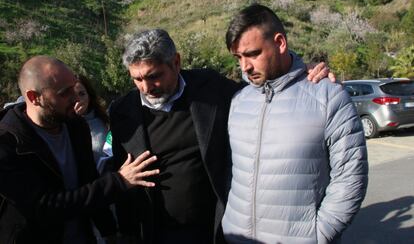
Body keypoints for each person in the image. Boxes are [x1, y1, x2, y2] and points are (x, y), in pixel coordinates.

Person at [109, 29, 333, 244]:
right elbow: (122, 181)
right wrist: (125, 231)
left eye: (154, 76)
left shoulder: (210, 87)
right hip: (156, 233)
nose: (146, 87)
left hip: (213, 228)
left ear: (176, 62)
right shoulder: (122, 112)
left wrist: (303, 72)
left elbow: (262, 91)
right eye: (137, 79)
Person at [221, 4, 368, 244]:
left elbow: (351, 178)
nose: (244, 67)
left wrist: (318, 236)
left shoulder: (329, 97)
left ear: (280, 43)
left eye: (252, 54)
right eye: (238, 57)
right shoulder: (239, 101)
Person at [0, 55, 159, 243]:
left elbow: (88, 178)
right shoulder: (8, 144)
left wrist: (109, 231)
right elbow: (45, 207)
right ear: (34, 98)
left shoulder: (75, 125)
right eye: (64, 93)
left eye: (75, 88)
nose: (76, 98)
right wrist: (118, 181)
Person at [74, 75, 112, 173]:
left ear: (89, 95)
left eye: (81, 94)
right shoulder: (63, 127)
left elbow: (110, 151)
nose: (78, 100)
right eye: (73, 95)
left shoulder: (104, 120)